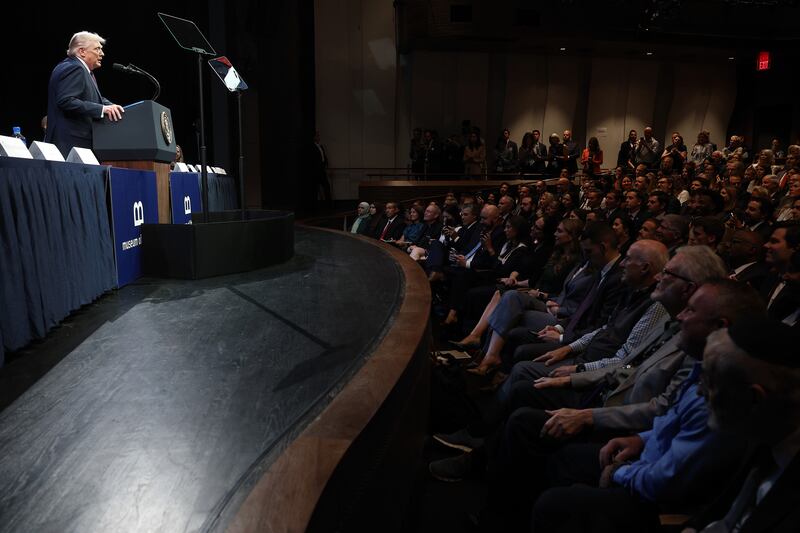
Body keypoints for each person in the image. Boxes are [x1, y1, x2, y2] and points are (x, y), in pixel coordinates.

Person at [45, 31, 125, 157]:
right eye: (97, 49)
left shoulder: (75, 67)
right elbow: (66, 100)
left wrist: (112, 106)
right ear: (82, 51)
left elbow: (90, 97)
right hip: (70, 145)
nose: (102, 53)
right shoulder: (75, 68)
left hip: (72, 144)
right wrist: (102, 109)